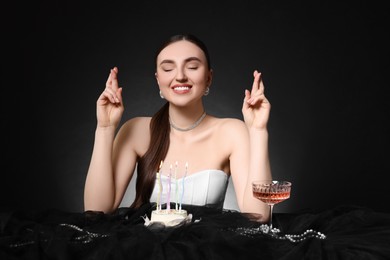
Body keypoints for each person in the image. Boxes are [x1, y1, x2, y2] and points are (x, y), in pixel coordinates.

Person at [83, 34, 272, 219]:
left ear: (209, 77)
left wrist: (258, 131)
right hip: (147, 248)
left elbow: (259, 214)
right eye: (168, 69)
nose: (180, 76)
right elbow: (97, 210)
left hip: (208, 247)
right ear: (158, 79)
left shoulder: (232, 132)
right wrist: (105, 128)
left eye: (192, 67)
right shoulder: (135, 130)